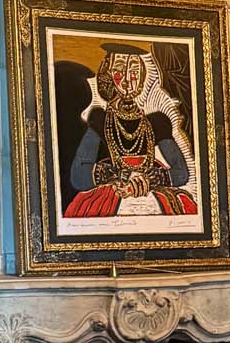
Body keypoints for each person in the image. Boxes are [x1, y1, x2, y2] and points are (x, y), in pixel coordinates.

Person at [64, 45, 196, 218]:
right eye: (119, 70)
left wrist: (147, 180)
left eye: (134, 71)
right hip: (112, 196)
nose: (127, 80)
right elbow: (78, 175)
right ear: (108, 74)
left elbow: (181, 173)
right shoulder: (100, 120)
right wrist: (121, 175)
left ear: (142, 77)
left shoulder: (157, 123)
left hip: (151, 194)